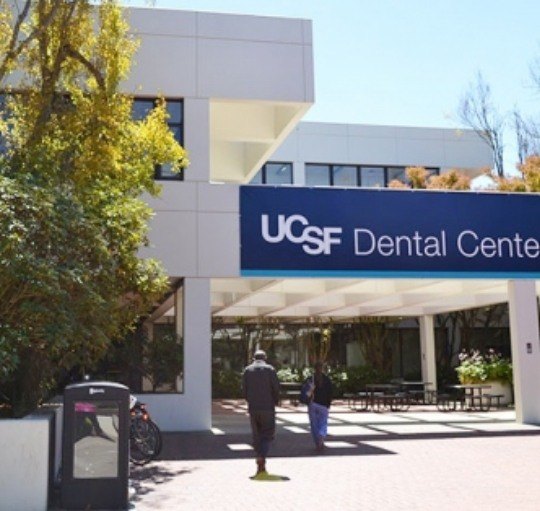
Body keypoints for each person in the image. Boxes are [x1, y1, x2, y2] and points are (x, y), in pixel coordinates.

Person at [242, 349, 280, 476]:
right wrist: (276, 401)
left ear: (254, 358)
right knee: (268, 434)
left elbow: (244, 390)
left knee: (256, 435)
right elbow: (276, 388)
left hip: (253, 408)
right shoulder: (270, 370)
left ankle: (260, 459)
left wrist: (250, 401)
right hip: (267, 407)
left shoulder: (247, 370)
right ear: (265, 358)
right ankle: (261, 457)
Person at [306, 361, 333, 452]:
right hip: (324, 405)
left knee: (314, 425)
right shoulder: (327, 380)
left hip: (312, 404)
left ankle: (317, 441)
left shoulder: (310, 379)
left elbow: (306, 392)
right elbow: (330, 393)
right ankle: (321, 436)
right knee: (323, 422)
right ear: (322, 369)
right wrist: (328, 404)